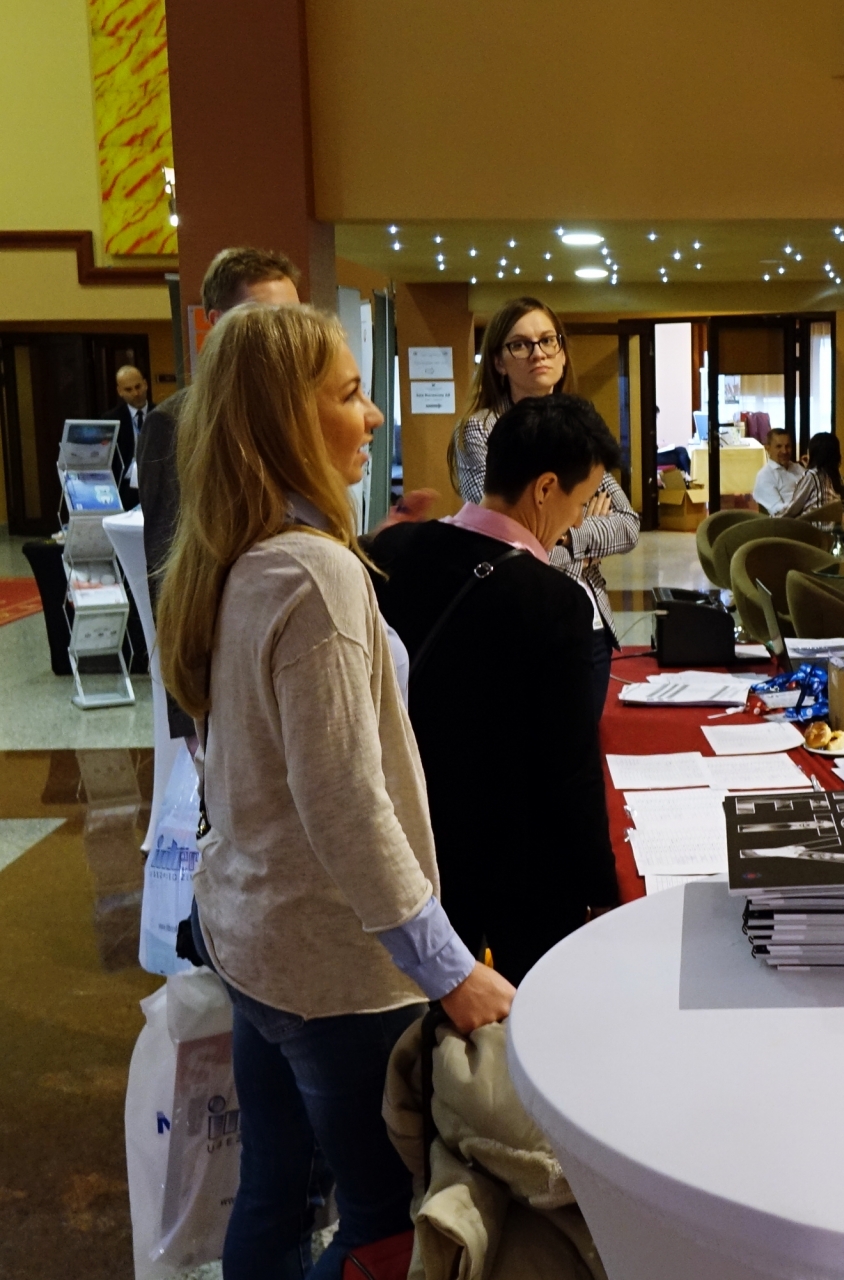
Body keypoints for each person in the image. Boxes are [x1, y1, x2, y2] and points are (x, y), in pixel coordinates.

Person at [156, 303, 514, 1277]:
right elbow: (347, 803)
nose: (375, 416)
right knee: (382, 1223)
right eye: (351, 394)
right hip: (335, 966)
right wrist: (450, 969)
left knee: (273, 1188)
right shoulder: (313, 575)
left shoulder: (237, 553)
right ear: (286, 420)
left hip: (256, 933)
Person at [369, 394, 623, 983]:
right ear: (546, 488)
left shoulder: (393, 549)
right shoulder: (554, 600)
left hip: (415, 842)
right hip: (517, 868)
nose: (578, 521)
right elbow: (570, 766)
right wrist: (599, 887)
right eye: (581, 502)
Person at [140, 248, 304, 740]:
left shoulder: (305, 413)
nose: (283, 332)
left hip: (298, 653)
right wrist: (191, 713)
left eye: (292, 317)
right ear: (216, 323)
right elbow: (170, 578)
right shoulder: (177, 423)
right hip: (226, 673)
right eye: (264, 317)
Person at [451, 297, 638, 711]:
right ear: (498, 361)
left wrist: (567, 535)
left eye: (548, 340)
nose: (538, 353)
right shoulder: (482, 431)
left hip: (590, 619)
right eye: (520, 344)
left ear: (563, 352)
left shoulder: (577, 426)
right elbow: (504, 541)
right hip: (524, 617)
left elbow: (627, 524)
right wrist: (581, 529)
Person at [111, 363, 152, 504]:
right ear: (120, 391)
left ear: (145, 384)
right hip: (125, 488)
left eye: (138, 386)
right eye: (129, 389)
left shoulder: (161, 414)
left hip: (155, 485)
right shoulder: (112, 420)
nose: (136, 393)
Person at [777, 431, 841, 518]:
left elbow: (794, 507)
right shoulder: (833, 476)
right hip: (831, 524)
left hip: (812, 524)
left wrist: (774, 519)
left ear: (813, 453)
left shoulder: (812, 476)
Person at [753, 427, 804, 513]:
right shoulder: (765, 476)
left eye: (787, 446)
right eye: (778, 446)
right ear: (768, 448)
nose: (784, 451)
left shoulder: (797, 468)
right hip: (790, 519)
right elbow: (778, 510)